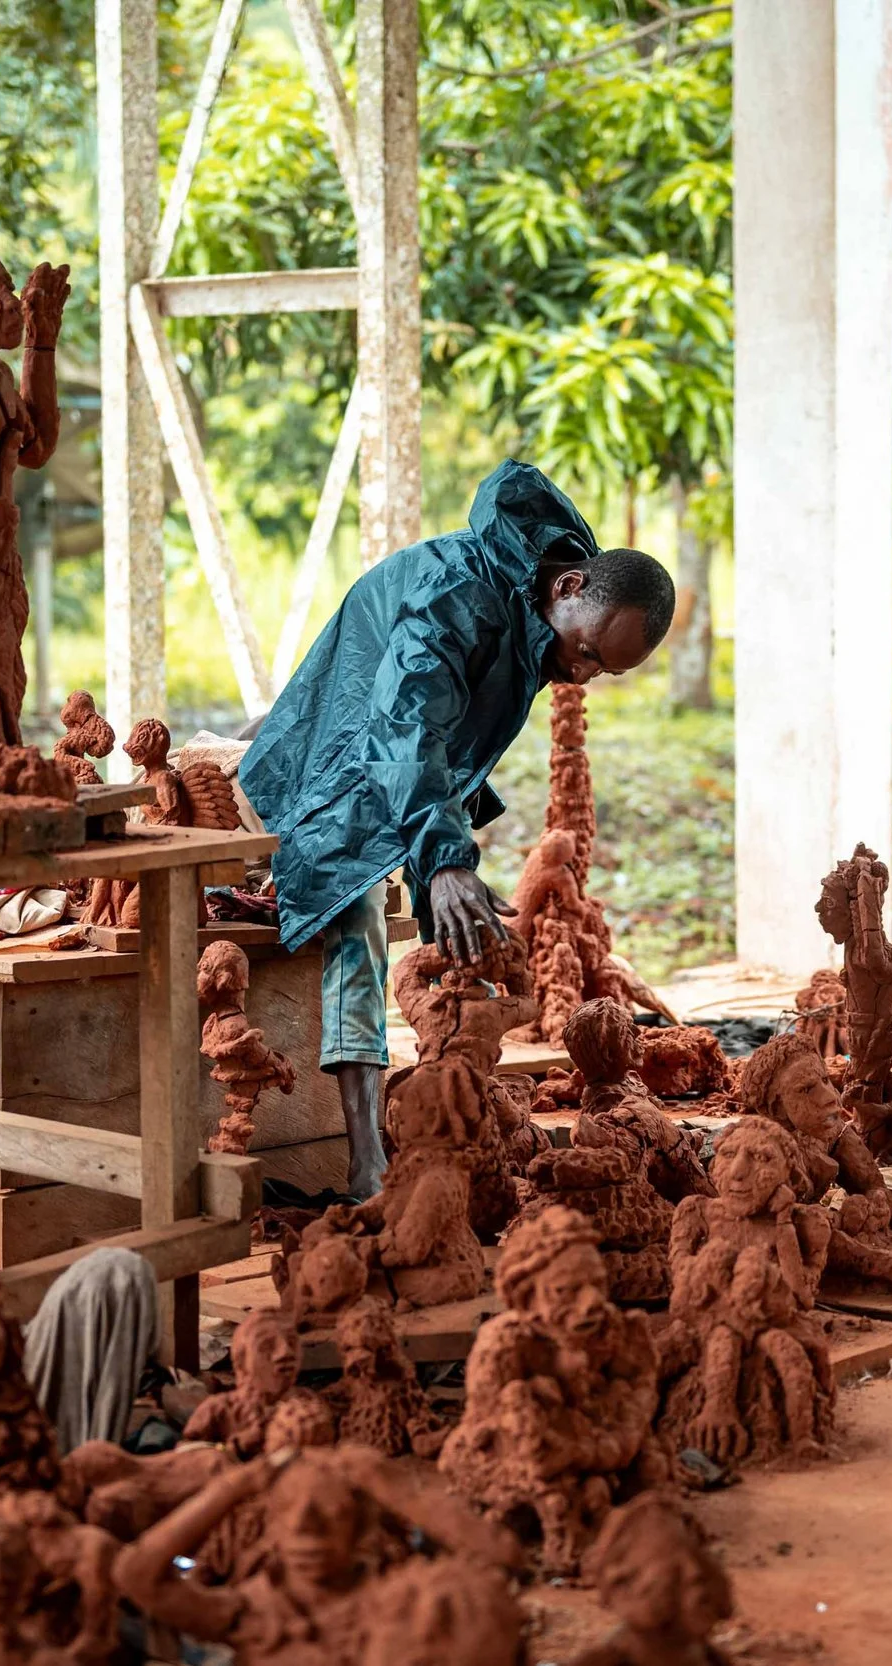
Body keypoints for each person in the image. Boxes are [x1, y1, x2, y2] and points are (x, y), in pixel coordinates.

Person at [239, 462, 676, 1198]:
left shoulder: (537, 607)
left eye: (606, 670)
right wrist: (441, 861)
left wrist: (450, 862)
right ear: (570, 589)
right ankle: (366, 1162)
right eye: (590, 653)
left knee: (449, 897)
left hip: (378, 760)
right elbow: (407, 728)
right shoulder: (462, 594)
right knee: (355, 911)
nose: (585, 673)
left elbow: (449, 743)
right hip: (329, 761)